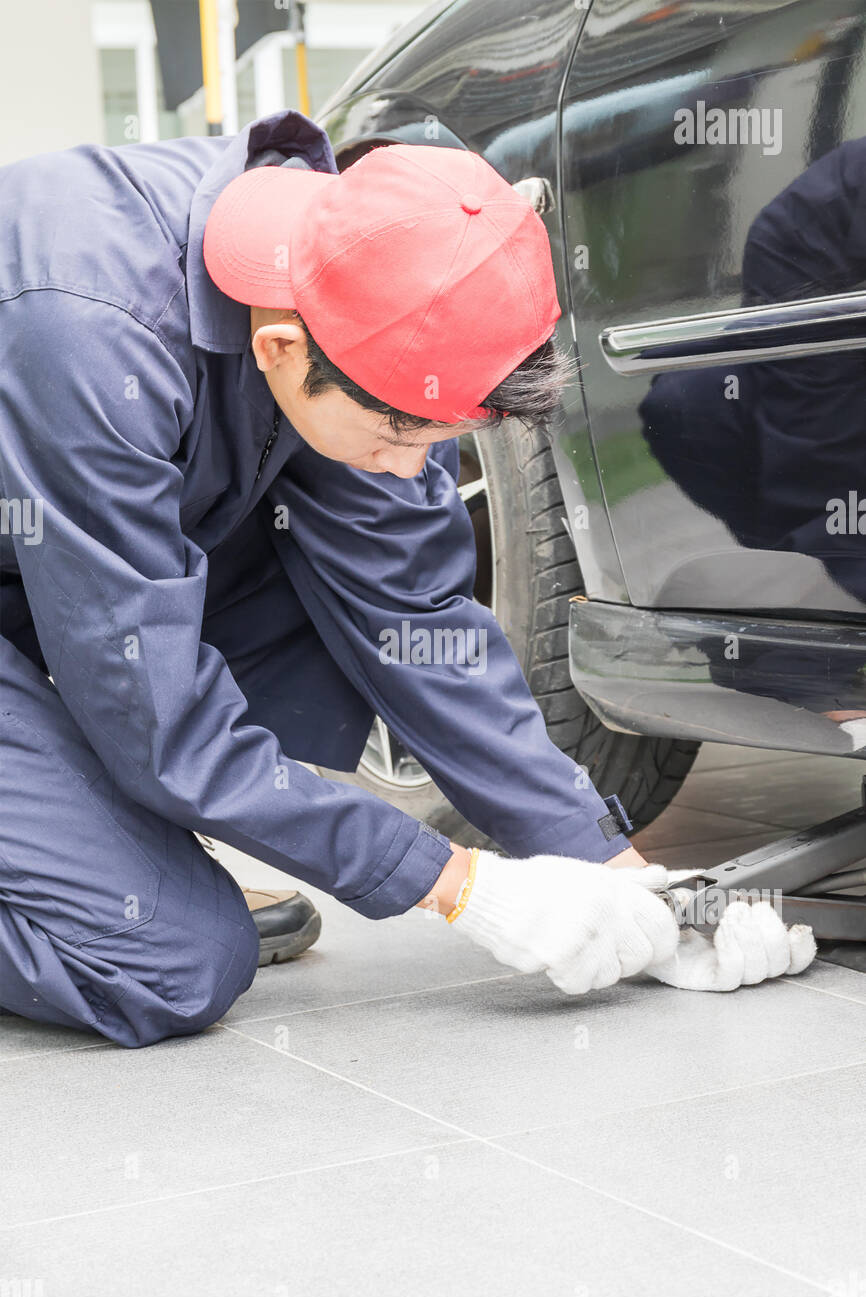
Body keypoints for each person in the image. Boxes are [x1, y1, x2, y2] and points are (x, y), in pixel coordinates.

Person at [0, 111, 814, 1048]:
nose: (407, 465)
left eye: (435, 441)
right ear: (278, 353)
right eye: (399, 437)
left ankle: (104, 858)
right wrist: (461, 884)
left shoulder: (357, 295)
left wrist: (626, 879)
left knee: (160, 893)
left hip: (44, 564)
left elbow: (410, 612)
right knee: (166, 959)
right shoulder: (92, 334)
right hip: (55, 554)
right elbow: (151, 710)